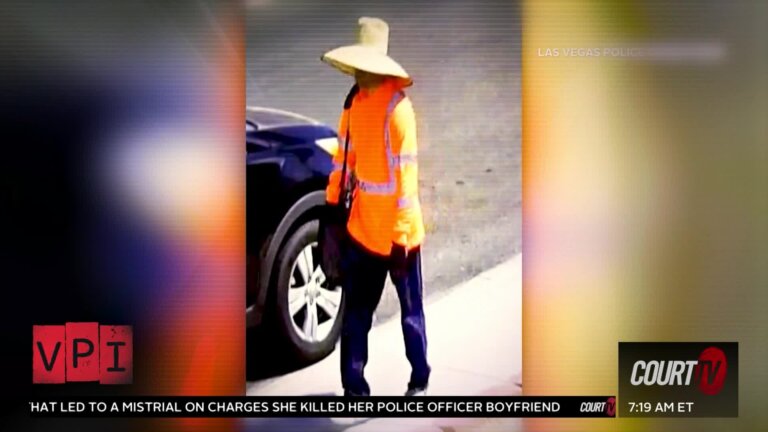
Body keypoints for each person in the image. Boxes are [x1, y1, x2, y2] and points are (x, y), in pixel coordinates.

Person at [321, 17, 430, 397]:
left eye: (363, 67)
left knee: (411, 315)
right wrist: (332, 207)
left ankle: (419, 380)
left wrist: (400, 240)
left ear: (376, 68)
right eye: (356, 67)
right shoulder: (353, 105)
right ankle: (354, 389)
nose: (357, 74)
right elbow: (343, 161)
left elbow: (406, 182)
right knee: (355, 318)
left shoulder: (398, 111)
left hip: (400, 239)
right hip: (363, 231)